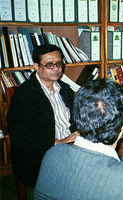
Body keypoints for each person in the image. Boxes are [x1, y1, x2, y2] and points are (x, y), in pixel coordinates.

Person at [7, 44, 79, 188]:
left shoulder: (64, 89)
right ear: (36, 66)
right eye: (49, 65)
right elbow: (21, 138)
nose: (56, 69)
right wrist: (61, 142)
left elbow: (79, 114)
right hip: (41, 155)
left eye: (59, 64)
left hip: (72, 146)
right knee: (85, 175)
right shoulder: (24, 96)